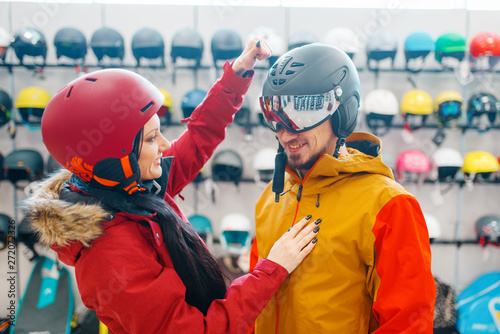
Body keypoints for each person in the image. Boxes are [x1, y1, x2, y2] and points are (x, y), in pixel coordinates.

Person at [22, 38, 320, 334]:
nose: (165, 146)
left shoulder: (131, 190)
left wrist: (236, 75)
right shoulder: (111, 254)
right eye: (152, 139)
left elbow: (199, 137)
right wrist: (272, 269)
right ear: (115, 158)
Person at [250, 43, 436, 333]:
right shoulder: (271, 198)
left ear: (341, 113)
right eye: (275, 114)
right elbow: (253, 304)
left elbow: (407, 323)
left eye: (301, 114)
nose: (285, 132)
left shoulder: (388, 205)